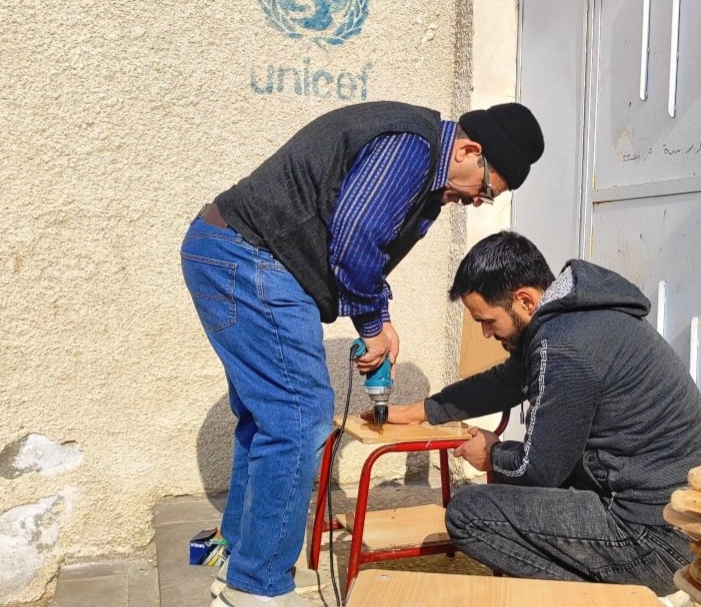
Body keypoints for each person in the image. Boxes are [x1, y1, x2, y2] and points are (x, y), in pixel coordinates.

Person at [181, 102, 544, 607]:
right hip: (249, 257)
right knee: (300, 420)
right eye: (486, 189)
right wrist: (371, 326)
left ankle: (241, 562)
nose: (479, 202)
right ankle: (257, 591)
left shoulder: (424, 172)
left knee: (267, 421)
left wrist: (381, 320)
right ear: (469, 150)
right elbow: (354, 238)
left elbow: (364, 249)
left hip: (233, 252)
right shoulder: (412, 146)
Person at [376, 231, 701, 595]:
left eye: (488, 321)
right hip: (680, 521)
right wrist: (423, 411)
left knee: (467, 514)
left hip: (656, 538)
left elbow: (537, 470)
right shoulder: (577, 315)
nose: (486, 333)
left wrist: (490, 454)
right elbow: (505, 382)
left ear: (524, 300)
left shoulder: (564, 346)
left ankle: (617, 598)